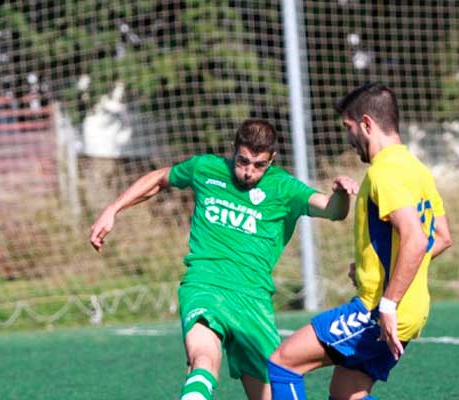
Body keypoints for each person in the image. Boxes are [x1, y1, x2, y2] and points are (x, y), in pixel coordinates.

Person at [89, 119, 358, 400]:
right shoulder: (207, 169)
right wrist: (113, 209)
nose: (248, 171)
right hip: (204, 285)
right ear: (233, 150)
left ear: (272, 160)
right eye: (243, 161)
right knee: (203, 360)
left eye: (258, 165)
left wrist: (340, 194)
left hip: (252, 300)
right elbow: (160, 178)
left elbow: (332, 211)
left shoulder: (284, 188)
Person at [268, 83, 453, 400]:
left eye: (348, 128)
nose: (348, 139)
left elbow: (415, 238)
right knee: (346, 394)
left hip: (377, 311)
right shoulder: (417, 169)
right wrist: (379, 270)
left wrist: (388, 302)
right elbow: (442, 238)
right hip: (413, 309)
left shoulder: (385, 173)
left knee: (283, 364)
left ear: (367, 124)